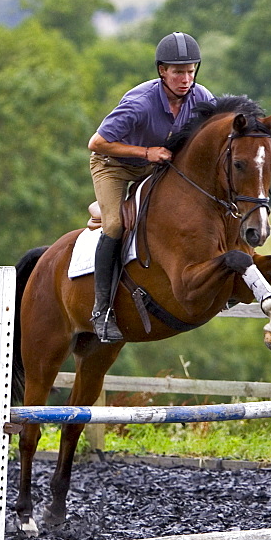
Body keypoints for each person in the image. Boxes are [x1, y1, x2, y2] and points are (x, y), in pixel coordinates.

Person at [86, 32, 215, 342]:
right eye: (178, 71)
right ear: (162, 71)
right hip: (112, 165)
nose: (186, 78)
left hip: (156, 165)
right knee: (115, 225)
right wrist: (146, 153)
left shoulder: (202, 99)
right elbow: (97, 142)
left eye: (191, 70)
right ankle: (101, 310)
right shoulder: (139, 103)